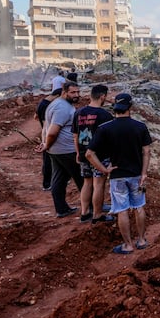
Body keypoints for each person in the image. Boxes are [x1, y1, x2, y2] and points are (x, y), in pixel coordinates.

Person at [86, 93, 152, 254]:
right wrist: (144, 173)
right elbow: (146, 151)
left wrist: (104, 169)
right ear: (130, 107)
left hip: (117, 175)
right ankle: (142, 240)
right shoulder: (140, 127)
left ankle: (128, 245)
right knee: (139, 206)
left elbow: (89, 154)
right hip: (136, 174)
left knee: (122, 209)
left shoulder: (105, 128)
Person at [37, 81, 84, 218]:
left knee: (59, 179)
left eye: (78, 92)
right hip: (67, 150)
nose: (76, 95)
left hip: (56, 150)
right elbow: (52, 131)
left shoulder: (56, 104)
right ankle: (92, 207)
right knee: (83, 179)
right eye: (73, 92)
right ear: (64, 92)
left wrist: (46, 145)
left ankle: (61, 209)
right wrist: (47, 144)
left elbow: (46, 127)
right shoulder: (62, 108)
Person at [72, 84, 114, 223]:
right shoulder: (105, 115)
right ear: (102, 96)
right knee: (99, 184)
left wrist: (78, 153)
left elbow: (75, 135)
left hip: (84, 153)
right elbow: (110, 139)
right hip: (99, 156)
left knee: (87, 182)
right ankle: (97, 214)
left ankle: (84, 213)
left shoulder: (78, 113)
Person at [34, 88, 61, 191]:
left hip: (46, 136)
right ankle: (48, 183)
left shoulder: (43, 103)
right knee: (49, 161)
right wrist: (45, 142)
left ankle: (48, 182)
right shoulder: (47, 106)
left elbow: (36, 117)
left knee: (48, 161)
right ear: (57, 96)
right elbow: (46, 126)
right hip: (48, 136)